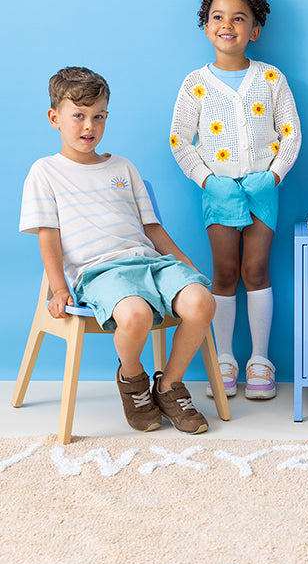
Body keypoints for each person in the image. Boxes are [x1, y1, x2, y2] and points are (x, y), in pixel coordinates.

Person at [20, 66, 216, 435]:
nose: (89, 126)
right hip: (99, 273)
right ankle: (132, 378)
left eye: (98, 116)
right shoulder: (45, 172)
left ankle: (169, 385)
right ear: (54, 118)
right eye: (79, 116)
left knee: (201, 301)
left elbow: (151, 227)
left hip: (149, 265)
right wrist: (59, 288)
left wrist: (181, 260)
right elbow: (48, 235)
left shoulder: (123, 167)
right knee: (135, 315)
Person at [170, 0, 301, 400]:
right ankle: (222, 359)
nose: (227, 24)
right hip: (219, 192)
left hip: (263, 190)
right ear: (206, 25)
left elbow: (291, 135)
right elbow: (179, 141)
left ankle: (260, 360)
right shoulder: (196, 84)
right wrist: (208, 181)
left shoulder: (271, 79)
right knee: (224, 273)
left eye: (239, 18)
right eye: (218, 16)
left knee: (256, 270)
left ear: (254, 30)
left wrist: (273, 176)